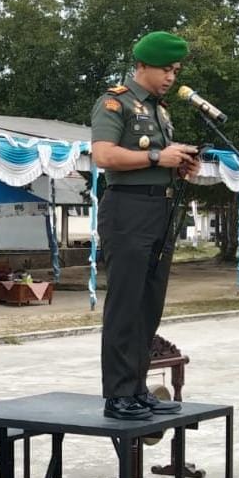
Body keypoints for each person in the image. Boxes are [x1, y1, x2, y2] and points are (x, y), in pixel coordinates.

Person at [91, 30, 200, 420]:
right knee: (125, 305)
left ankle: (137, 388)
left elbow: (158, 160)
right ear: (142, 65)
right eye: (165, 69)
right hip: (127, 211)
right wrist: (158, 157)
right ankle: (118, 394)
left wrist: (180, 165)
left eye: (175, 70)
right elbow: (103, 155)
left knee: (148, 305)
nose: (171, 77)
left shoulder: (160, 110)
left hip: (160, 210)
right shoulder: (115, 103)